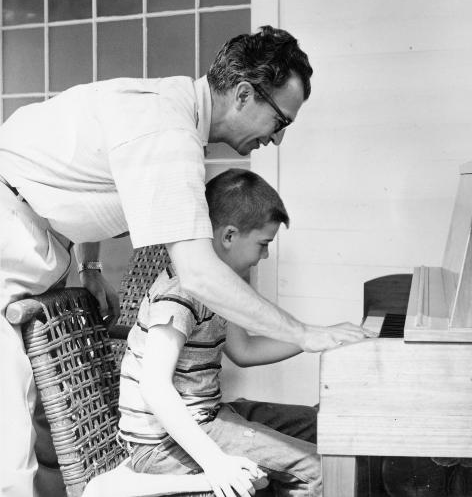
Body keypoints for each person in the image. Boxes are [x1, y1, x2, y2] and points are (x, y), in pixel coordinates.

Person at [0, 26, 373, 497]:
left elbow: (98, 183)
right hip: (9, 228)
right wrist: (304, 333)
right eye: (280, 122)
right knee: (8, 447)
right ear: (243, 94)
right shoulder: (168, 130)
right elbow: (198, 272)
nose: (276, 140)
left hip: (39, 230)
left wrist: (89, 267)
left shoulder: (174, 120)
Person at [119, 168, 324, 497]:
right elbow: (154, 387)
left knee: (320, 424)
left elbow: (243, 351)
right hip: (161, 446)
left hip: (207, 415)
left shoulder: (221, 287)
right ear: (229, 236)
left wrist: (310, 338)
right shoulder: (179, 294)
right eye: (263, 244)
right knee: (316, 471)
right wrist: (216, 463)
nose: (265, 255)